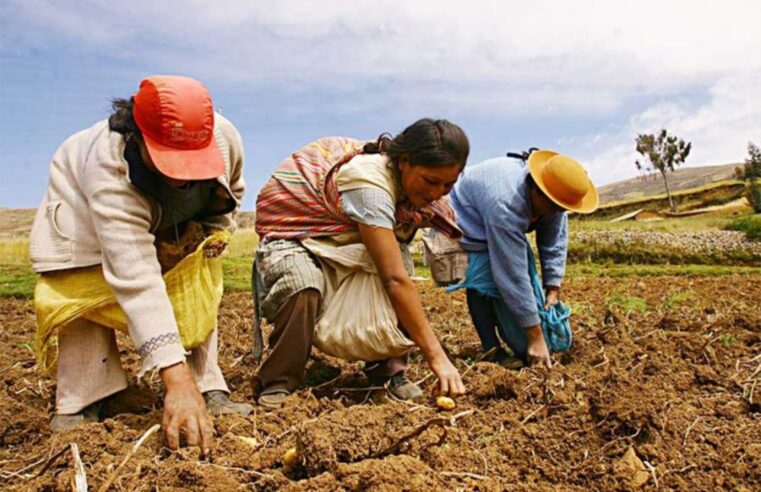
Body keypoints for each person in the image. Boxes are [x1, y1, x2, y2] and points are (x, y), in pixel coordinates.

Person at [29, 75, 251, 453]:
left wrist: (215, 232)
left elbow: (233, 188)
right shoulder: (109, 170)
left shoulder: (223, 136)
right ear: (139, 137)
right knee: (83, 292)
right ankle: (83, 398)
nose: (181, 179)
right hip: (82, 224)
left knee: (194, 279)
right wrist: (173, 381)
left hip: (175, 218)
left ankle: (207, 383)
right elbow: (136, 278)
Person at [253, 119, 469, 409]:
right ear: (404, 162)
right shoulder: (369, 184)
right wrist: (436, 356)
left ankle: (388, 371)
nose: (437, 193)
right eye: (431, 181)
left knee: (399, 263)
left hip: (349, 237)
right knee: (301, 284)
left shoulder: (416, 195)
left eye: (448, 185)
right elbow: (394, 280)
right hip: (299, 235)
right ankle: (280, 380)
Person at [448, 150, 599, 368]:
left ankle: (518, 333)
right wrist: (535, 339)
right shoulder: (505, 204)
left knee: (525, 295)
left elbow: (554, 241)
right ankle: (491, 349)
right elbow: (512, 275)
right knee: (482, 282)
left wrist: (552, 287)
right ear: (536, 192)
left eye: (562, 209)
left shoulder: (555, 196)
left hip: (497, 215)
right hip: (467, 218)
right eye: (554, 208)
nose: (558, 212)